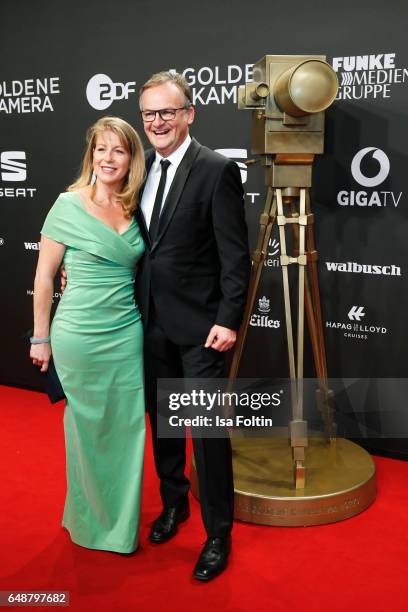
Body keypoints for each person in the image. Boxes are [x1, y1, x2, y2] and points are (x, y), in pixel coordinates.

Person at [137, 72, 250, 580]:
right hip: (151, 322)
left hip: (204, 329)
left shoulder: (216, 169)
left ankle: (218, 535)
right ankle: (174, 504)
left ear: (189, 114)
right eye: (148, 114)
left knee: (206, 435)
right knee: (163, 427)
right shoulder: (140, 171)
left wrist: (228, 320)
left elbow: (235, 256)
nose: (157, 122)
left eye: (166, 112)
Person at [30, 116, 146, 554]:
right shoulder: (67, 205)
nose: (108, 158)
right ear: (91, 154)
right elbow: (44, 279)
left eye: (118, 150)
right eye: (101, 149)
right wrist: (40, 338)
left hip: (126, 333)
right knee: (85, 430)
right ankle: (87, 519)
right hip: (78, 333)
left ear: (131, 157)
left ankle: (120, 526)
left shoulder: (139, 205)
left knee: (127, 428)